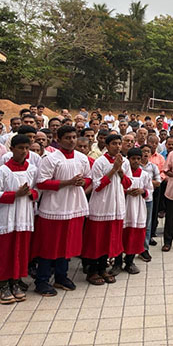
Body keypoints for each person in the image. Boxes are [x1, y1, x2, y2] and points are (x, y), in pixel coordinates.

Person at [33, 125, 91, 296]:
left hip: (74, 206)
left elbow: (89, 178)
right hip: (54, 208)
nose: (71, 141)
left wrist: (83, 182)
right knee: (49, 245)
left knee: (67, 244)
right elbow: (42, 182)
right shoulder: (51, 159)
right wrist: (68, 182)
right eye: (67, 138)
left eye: (73, 137)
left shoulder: (82, 158)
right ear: (58, 140)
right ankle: (42, 280)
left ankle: (61, 276)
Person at [82, 134, 131, 284]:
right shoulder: (100, 162)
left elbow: (128, 184)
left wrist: (120, 171)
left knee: (108, 239)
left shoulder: (125, 162)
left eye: (119, 143)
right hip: (101, 206)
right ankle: (92, 271)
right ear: (107, 146)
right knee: (97, 239)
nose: (117, 146)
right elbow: (97, 186)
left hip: (116, 206)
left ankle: (103, 268)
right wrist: (113, 170)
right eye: (114, 143)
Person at [0, 135, 38, 304]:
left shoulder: (32, 169)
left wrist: (31, 193)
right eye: (20, 148)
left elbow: (38, 190)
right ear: (11, 149)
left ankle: (15, 281)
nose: (24, 151)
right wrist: (15, 194)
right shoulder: (3, 170)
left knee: (20, 250)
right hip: (7, 216)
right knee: (5, 251)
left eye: (27, 148)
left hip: (24, 216)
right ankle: (3, 284)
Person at [122, 148, 153, 274]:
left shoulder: (144, 175)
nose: (135, 161)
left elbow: (150, 190)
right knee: (122, 234)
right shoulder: (123, 174)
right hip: (124, 206)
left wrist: (142, 191)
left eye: (138, 159)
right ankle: (117, 262)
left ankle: (129, 261)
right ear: (128, 159)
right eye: (133, 159)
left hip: (138, 207)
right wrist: (126, 192)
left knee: (135, 235)